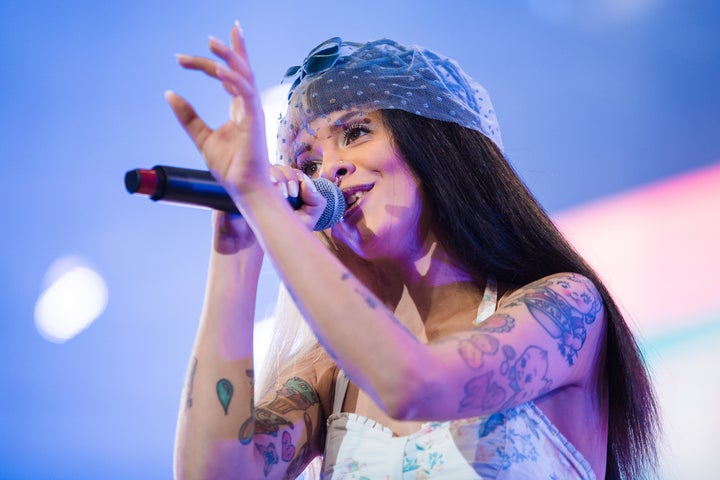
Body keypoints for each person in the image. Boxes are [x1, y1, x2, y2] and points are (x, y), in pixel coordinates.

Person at [167, 22, 660, 480]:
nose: (329, 171)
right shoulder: (326, 374)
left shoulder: (565, 308)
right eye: (307, 162)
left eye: (355, 132)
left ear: (435, 146)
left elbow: (413, 385)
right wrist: (237, 240)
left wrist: (272, 218)